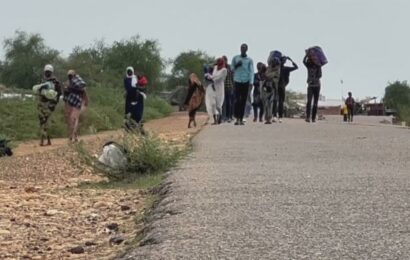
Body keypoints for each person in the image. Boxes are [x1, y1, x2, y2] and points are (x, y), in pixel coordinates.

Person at [34, 64, 62, 146]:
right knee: (44, 121)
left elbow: (59, 93)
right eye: (46, 72)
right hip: (45, 103)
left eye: (48, 72)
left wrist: (54, 102)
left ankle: (43, 139)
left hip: (48, 103)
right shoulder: (49, 81)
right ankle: (47, 139)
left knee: (44, 121)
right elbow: (59, 93)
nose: (47, 73)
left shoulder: (53, 81)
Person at [231, 43, 254, 125]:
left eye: (244, 48)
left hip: (246, 81)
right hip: (237, 80)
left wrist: (251, 82)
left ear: (246, 49)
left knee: (243, 100)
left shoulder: (249, 60)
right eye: (242, 48)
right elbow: (231, 69)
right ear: (240, 49)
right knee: (237, 100)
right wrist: (237, 65)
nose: (243, 49)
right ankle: (237, 118)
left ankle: (241, 118)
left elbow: (251, 71)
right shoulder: (235, 58)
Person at [63, 70, 88, 142]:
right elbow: (65, 94)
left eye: (71, 75)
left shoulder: (76, 84)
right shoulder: (69, 83)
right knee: (72, 119)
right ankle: (74, 136)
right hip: (71, 102)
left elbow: (83, 93)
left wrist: (86, 101)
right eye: (69, 75)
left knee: (74, 118)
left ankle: (72, 136)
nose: (70, 77)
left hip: (76, 102)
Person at [205, 58, 227, 125]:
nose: (218, 63)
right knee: (213, 103)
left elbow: (218, 78)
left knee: (218, 105)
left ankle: (220, 117)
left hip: (220, 88)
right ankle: (215, 120)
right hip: (213, 87)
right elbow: (213, 76)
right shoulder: (215, 67)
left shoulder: (224, 70)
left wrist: (209, 76)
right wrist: (208, 76)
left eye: (219, 62)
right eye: (218, 62)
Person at [276, 56, 298, 122]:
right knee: (280, 102)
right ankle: (280, 117)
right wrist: (291, 60)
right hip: (282, 86)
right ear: (284, 61)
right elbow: (296, 67)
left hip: (276, 86)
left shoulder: (276, 68)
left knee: (275, 101)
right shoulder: (286, 69)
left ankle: (274, 115)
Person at [303, 51, 322, 123]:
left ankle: (313, 118)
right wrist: (306, 55)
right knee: (309, 102)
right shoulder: (309, 66)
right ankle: (308, 117)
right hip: (310, 85)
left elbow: (320, 75)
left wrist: (313, 79)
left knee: (315, 103)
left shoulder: (318, 66)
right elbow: (303, 61)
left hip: (317, 85)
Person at [263, 57, 281, 124]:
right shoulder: (269, 68)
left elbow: (273, 77)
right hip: (267, 87)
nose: (273, 63)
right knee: (266, 104)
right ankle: (266, 118)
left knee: (270, 103)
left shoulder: (277, 70)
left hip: (273, 88)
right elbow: (266, 75)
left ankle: (269, 118)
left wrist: (269, 76)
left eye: (274, 62)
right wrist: (269, 76)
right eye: (272, 62)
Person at [222, 56, 234, 122]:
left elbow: (232, 76)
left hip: (229, 87)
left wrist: (234, 87)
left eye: (224, 60)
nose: (223, 62)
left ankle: (229, 116)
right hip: (222, 87)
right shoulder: (220, 68)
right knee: (223, 103)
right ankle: (224, 117)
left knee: (229, 102)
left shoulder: (229, 67)